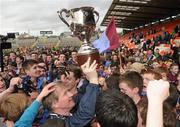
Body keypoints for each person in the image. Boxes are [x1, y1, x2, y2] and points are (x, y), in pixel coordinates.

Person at [42, 58, 100, 127]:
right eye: (65, 93)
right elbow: (84, 114)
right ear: (54, 103)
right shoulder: (55, 124)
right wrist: (93, 80)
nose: (71, 94)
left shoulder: (66, 115)